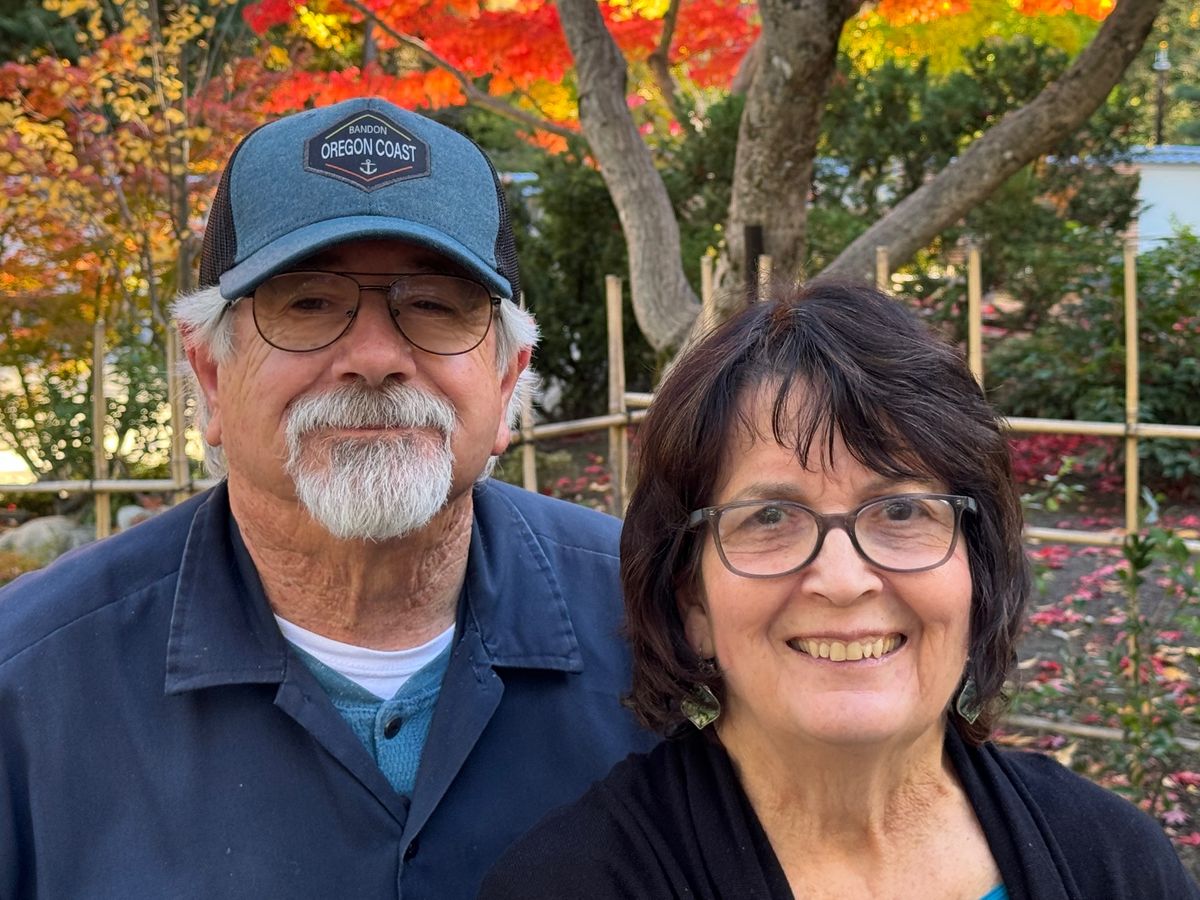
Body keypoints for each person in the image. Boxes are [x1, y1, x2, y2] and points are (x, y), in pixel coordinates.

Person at [0, 97, 652, 898]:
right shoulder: (28, 691)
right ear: (210, 376)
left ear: (508, 381)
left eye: (432, 305)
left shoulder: (663, 628)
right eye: (307, 303)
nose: (374, 357)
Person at [480, 282, 1200, 899]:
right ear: (692, 600)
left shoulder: (1113, 862)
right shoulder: (573, 883)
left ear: (975, 570)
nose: (845, 580)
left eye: (901, 512)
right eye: (770, 518)